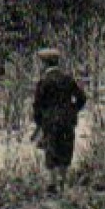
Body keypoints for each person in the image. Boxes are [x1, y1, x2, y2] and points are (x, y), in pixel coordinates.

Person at [32, 47, 88, 193]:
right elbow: (82, 98)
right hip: (67, 122)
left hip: (50, 123)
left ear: (45, 64)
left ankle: (52, 184)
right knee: (65, 149)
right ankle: (63, 183)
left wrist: (39, 123)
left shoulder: (43, 82)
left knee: (51, 151)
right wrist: (72, 110)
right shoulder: (68, 79)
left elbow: (37, 106)